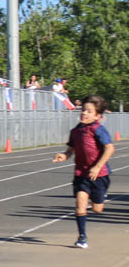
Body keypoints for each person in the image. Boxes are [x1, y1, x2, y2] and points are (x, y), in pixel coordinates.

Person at [52, 95, 115, 249]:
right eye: (83, 110)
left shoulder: (98, 129)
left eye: (89, 111)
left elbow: (109, 148)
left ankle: (101, 195)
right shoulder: (75, 131)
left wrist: (98, 166)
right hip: (81, 174)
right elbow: (70, 150)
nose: (84, 113)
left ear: (97, 115)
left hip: (99, 175)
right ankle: (82, 237)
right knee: (80, 203)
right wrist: (64, 155)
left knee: (97, 209)